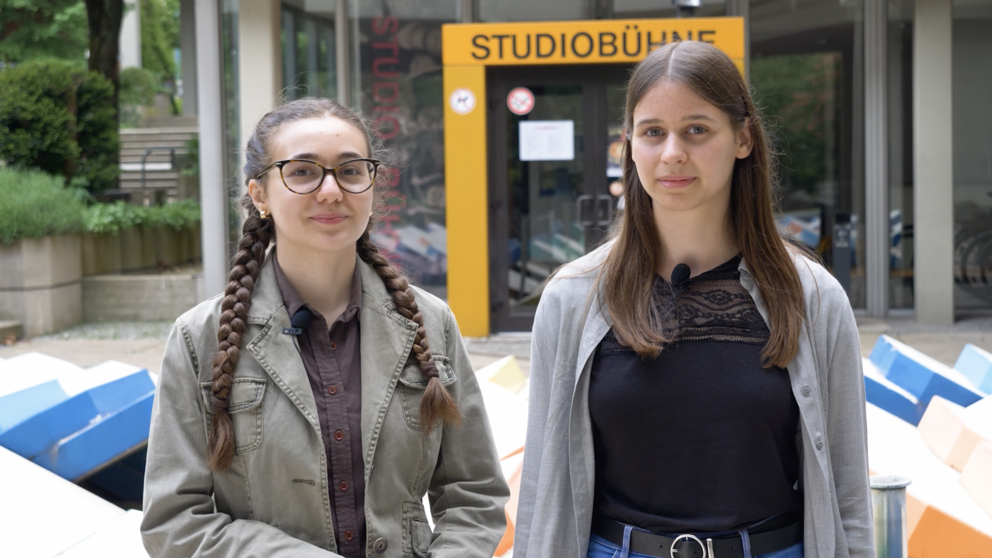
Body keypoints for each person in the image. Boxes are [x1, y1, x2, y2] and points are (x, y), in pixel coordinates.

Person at [514, 41, 872, 558]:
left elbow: (848, 498)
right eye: (653, 132)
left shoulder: (813, 297)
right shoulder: (572, 298)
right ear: (629, 145)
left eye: (697, 130)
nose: (672, 152)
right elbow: (542, 491)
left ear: (743, 138)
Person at [141, 98, 509, 558]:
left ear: (372, 186)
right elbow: (173, 523)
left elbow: (475, 496)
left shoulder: (431, 323)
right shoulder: (200, 338)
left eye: (351, 171)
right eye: (302, 172)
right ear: (260, 195)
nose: (332, 191)